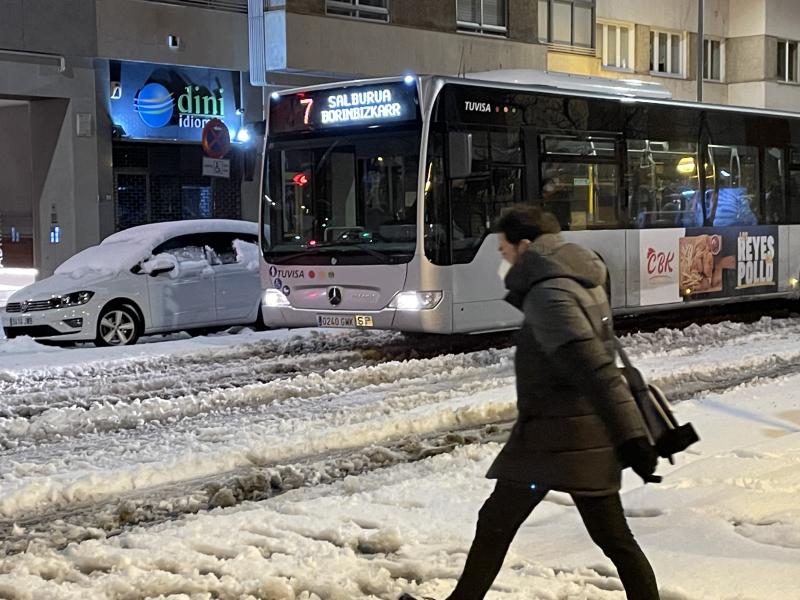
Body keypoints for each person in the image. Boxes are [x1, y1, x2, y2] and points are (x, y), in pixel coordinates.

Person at [401, 205, 661, 600]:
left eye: (504, 250)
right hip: (571, 434)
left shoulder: (549, 293)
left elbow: (594, 368)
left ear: (525, 246)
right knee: (605, 535)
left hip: (558, 438)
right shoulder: (580, 276)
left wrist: (632, 437)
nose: (502, 258)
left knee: (504, 523)